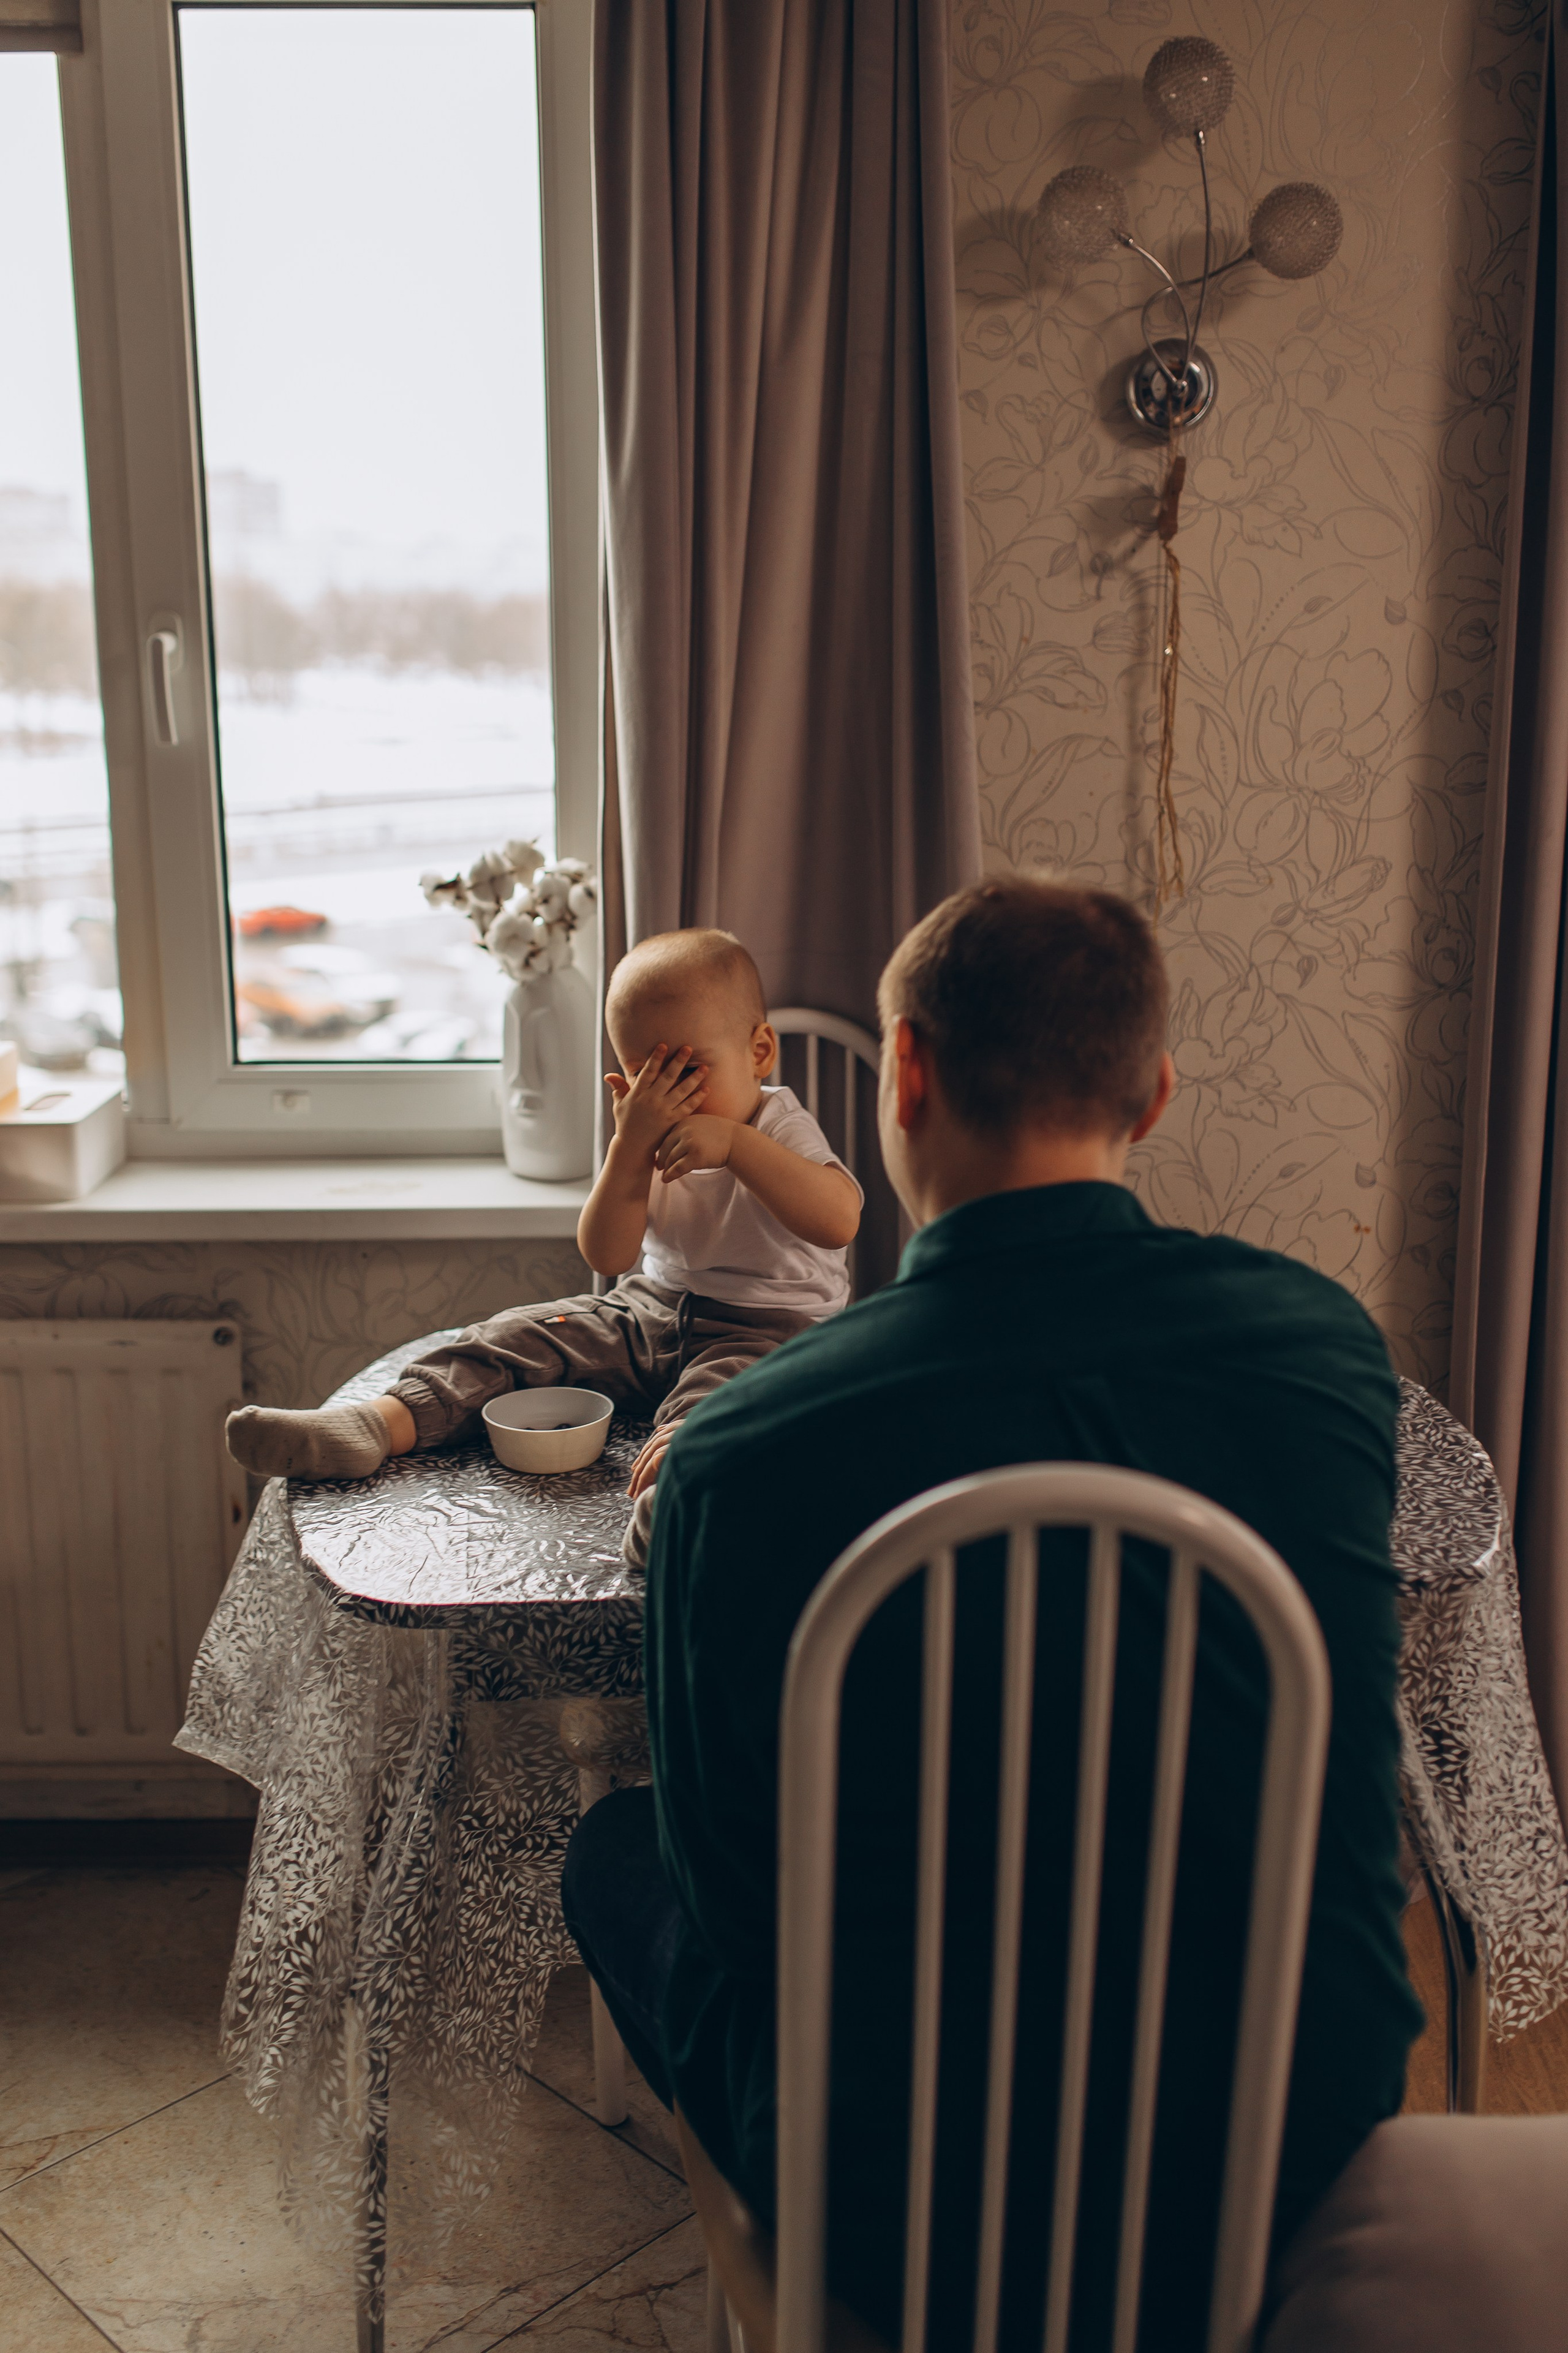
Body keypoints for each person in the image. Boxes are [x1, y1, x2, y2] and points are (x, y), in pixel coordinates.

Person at [562, 878, 1422, 2349]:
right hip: (1279, 2122)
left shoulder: (737, 1448)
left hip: (900, 2177)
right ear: (1150, 1094)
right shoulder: (1321, 1352)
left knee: (618, 1847)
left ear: (900, 1071)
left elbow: (729, 1888)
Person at [224, 927, 862, 1566]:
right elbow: (606, 1257)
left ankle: (677, 1501)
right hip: (648, 1311)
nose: (673, 1098)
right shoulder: (644, 1134)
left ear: (758, 1051)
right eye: (647, 1077)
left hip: (766, 1330)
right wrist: (627, 1151)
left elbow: (839, 1220)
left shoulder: (778, 1125)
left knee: (716, 1408)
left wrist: (736, 1145)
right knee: (520, 1334)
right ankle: (378, 1424)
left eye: (690, 1071)